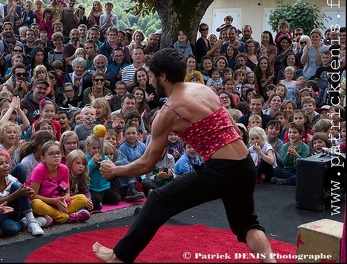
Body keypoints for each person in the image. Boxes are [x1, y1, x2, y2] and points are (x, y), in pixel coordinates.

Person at [93, 48, 275, 263]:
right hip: (244, 165)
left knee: (158, 200)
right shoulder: (202, 89)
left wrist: (115, 170)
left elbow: (147, 164)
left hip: (220, 169)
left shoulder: (169, 112)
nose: (150, 82)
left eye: (151, 76)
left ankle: (119, 258)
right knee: (247, 224)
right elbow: (235, 129)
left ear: (162, 77)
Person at [27, 140, 91, 224]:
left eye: (58, 153)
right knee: (35, 204)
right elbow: (33, 196)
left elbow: (67, 193)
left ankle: (54, 216)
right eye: (51, 154)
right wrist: (54, 201)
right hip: (44, 202)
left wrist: (62, 201)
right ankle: (68, 217)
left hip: (59, 202)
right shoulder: (39, 170)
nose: (56, 156)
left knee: (82, 198)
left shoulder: (64, 169)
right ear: (43, 158)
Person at [0, 152, 45, 236]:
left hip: (14, 211)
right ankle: (24, 223)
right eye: (1, 164)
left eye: (6, 163)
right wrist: (17, 193)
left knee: (16, 185)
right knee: (10, 228)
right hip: (0, 215)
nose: (5, 165)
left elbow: (22, 188)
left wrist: (28, 191)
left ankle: (32, 221)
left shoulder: (10, 178)